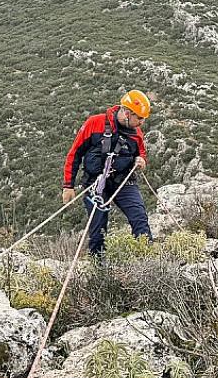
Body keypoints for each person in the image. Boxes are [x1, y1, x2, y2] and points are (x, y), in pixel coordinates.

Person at [62, 90, 152, 256]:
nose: (142, 122)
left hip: (124, 182)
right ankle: (99, 271)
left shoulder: (136, 134)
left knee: (140, 220)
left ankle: (148, 264)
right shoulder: (94, 123)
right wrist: (68, 185)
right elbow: (75, 154)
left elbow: (141, 153)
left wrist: (141, 161)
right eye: (139, 118)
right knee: (98, 228)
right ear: (126, 113)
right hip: (95, 184)